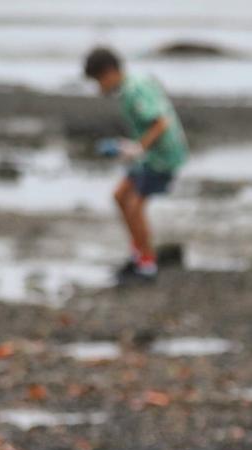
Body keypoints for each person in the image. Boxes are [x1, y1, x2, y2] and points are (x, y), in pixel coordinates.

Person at [82, 47, 188, 285]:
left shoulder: (135, 89)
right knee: (120, 196)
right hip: (147, 156)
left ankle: (147, 265)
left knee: (134, 206)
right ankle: (138, 254)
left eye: (99, 80)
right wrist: (129, 147)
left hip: (162, 157)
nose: (99, 88)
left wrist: (137, 148)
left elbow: (161, 123)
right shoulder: (129, 88)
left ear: (109, 72)